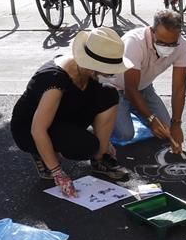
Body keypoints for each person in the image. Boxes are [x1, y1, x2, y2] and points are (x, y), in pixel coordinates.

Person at [10, 27, 132, 197]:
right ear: (92, 66)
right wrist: (58, 173)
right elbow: (38, 130)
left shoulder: (86, 73)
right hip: (29, 128)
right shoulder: (54, 79)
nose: (111, 74)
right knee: (86, 146)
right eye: (108, 70)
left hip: (62, 116)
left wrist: (104, 140)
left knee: (109, 94)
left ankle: (100, 159)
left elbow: (95, 99)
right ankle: (41, 154)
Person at [108, 10, 186, 154]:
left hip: (144, 87)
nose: (167, 47)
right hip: (116, 88)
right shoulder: (134, 41)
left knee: (166, 130)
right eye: (162, 42)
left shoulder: (181, 46)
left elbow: (179, 87)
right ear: (152, 31)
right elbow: (130, 89)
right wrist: (151, 119)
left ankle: (134, 110)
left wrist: (176, 123)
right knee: (125, 134)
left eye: (172, 44)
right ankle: (102, 118)